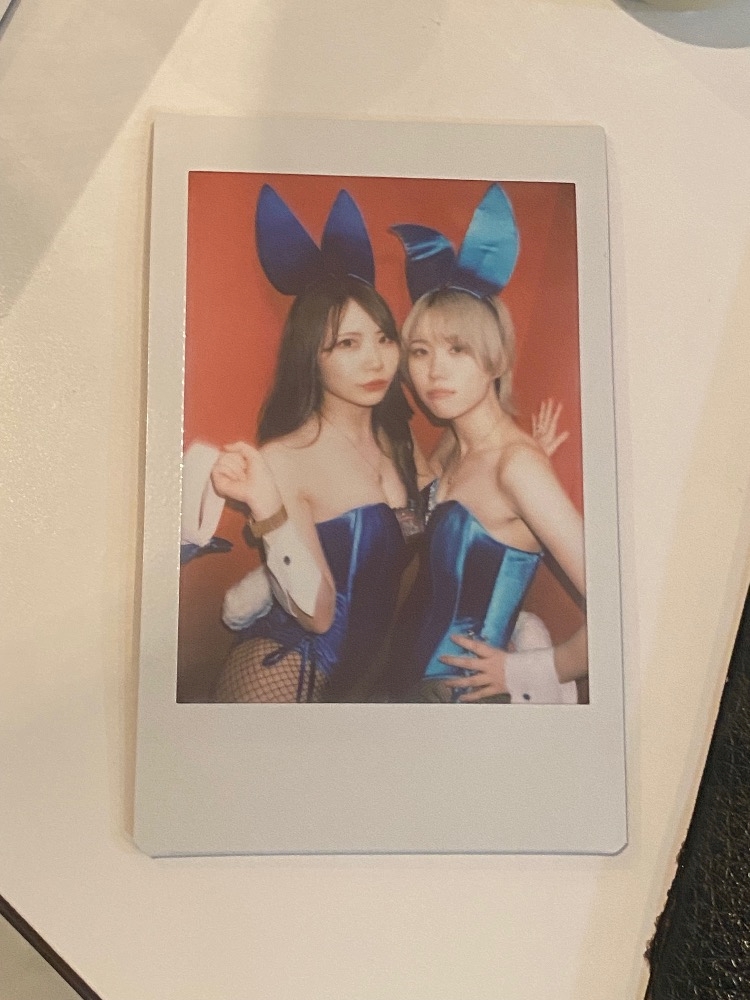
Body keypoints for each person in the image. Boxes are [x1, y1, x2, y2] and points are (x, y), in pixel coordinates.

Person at [209, 186, 422, 703]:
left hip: (366, 681)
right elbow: (318, 616)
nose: (375, 360)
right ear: (312, 357)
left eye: (384, 338)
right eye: (348, 343)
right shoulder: (284, 458)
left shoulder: (397, 439)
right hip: (288, 669)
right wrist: (266, 506)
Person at [384, 184, 586, 704]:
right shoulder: (455, 443)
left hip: (458, 707)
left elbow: (624, 605)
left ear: (495, 359)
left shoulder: (517, 467)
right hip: (400, 679)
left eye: (457, 349)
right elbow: (429, 511)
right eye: (420, 351)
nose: (435, 371)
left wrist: (530, 671)